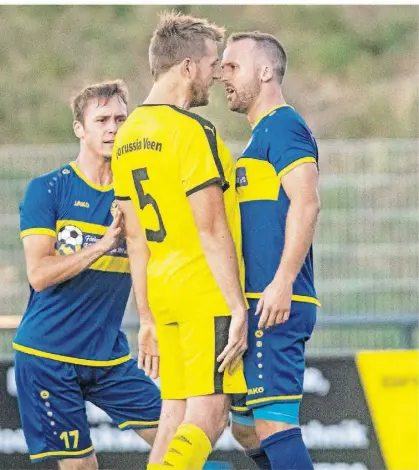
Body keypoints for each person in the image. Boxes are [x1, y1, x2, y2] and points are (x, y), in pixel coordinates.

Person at [111, 12, 248, 470]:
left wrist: (146, 316)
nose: (215, 75)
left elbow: (135, 237)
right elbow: (211, 229)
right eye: (212, 65)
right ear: (188, 67)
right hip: (204, 292)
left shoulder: (127, 135)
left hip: (164, 293)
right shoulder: (192, 131)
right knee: (210, 414)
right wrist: (238, 306)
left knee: (174, 411)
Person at [13, 81, 161, 469]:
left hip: (108, 355)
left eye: (120, 119)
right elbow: (40, 274)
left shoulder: (138, 195)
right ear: (79, 128)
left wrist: (152, 322)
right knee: (81, 466)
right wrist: (101, 244)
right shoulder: (48, 189)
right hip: (48, 356)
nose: (113, 128)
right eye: (101, 119)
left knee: (179, 438)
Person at [221, 32, 321, 470]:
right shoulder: (260, 134)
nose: (223, 75)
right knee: (244, 426)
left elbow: (307, 200)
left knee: (274, 425)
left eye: (232, 66)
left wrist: (281, 283)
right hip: (255, 305)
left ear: (264, 72)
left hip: (276, 302)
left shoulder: (282, 124)